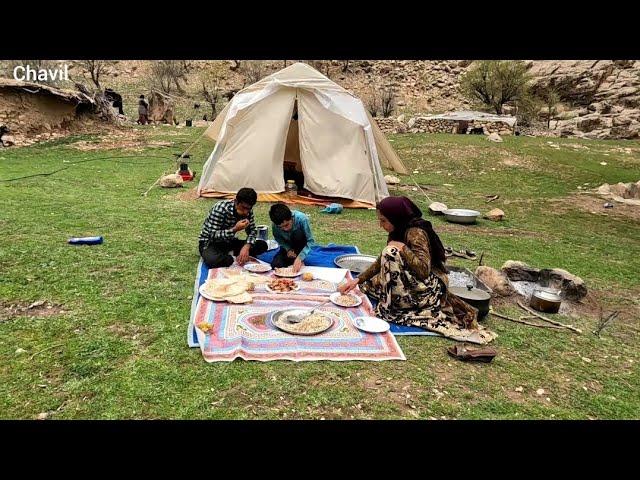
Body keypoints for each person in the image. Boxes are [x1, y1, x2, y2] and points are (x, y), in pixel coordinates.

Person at [339, 196, 496, 344]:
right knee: (376, 275)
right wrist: (358, 280)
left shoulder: (416, 233)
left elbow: (424, 270)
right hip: (411, 276)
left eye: (383, 220)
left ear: (396, 218)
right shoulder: (398, 230)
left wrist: (404, 249)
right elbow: (381, 262)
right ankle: (396, 298)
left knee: (390, 254)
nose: (381, 225)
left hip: (427, 287)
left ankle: (396, 307)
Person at [198, 188, 268, 268]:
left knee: (262, 245)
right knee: (213, 260)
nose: (245, 212)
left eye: (248, 209)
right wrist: (234, 229)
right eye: (243, 208)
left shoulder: (248, 211)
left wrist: (247, 246)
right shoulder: (220, 208)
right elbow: (212, 235)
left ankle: (230, 253)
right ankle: (230, 256)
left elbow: (252, 231)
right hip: (210, 243)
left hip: (229, 241)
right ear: (236, 201)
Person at [269, 203, 316, 272]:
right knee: (275, 265)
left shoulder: (302, 219)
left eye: (286, 225)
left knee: (297, 234)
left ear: (291, 217)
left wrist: (300, 257)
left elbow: (311, 241)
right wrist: (288, 249)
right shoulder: (275, 224)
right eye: (280, 227)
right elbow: (278, 239)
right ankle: (292, 258)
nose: (285, 229)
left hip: (300, 245)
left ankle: (297, 258)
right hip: (287, 246)